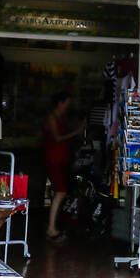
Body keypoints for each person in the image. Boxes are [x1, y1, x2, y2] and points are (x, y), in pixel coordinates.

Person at [44, 93, 81, 241]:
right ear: (60, 103)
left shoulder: (61, 118)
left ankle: (53, 226)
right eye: (67, 103)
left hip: (61, 159)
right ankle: (51, 228)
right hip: (53, 158)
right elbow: (57, 138)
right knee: (60, 192)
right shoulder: (52, 118)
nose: (68, 106)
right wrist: (75, 132)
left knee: (61, 192)